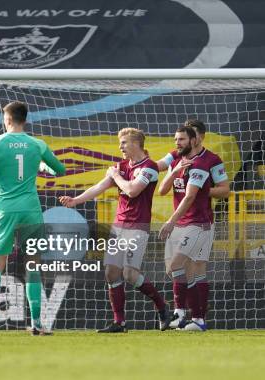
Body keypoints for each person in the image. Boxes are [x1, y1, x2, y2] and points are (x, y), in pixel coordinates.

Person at [59, 128, 170, 333]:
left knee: (129, 274)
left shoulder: (150, 167)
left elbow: (132, 190)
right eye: (120, 143)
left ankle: (162, 307)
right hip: (118, 226)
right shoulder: (121, 167)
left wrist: (115, 176)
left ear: (136, 144)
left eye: (124, 143)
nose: (120, 147)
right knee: (111, 272)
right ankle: (119, 322)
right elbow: (98, 187)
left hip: (138, 227)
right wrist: (75, 200)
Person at [0, 101, 66, 336]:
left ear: (9, 119)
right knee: (32, 264)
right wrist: (43, 167)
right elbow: (60, 171)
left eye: (4, 117)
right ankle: (36, 323)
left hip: (5, 210)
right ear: (25, 119)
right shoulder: (37, 145)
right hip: (31, 210)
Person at [156, 120, 229, 328]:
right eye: (177, 139)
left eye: (186, 137)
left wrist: (200, 190)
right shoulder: (176, 156)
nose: (180, 142)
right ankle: (187, 315)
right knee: (177, 270)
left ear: (199, 137)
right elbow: (160, 182)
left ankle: (194, 317)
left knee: (194, 268)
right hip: (181, 220)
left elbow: (224, 190)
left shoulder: (210, 160)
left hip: (200, 221)